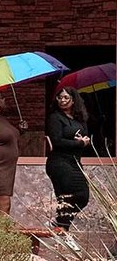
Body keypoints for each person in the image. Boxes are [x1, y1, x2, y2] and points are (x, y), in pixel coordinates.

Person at [45, 86, 91, 235]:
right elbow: (56, 141)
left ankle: (61, 227)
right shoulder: (55, 118)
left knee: (83, 196)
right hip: (59, 162)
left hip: (75, 161)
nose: (63, 100)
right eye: (60, 97)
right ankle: (62, 230)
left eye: (66, 98)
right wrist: (78, 143)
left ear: (73, 100)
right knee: (68, 196)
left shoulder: (79, 119)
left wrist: (84, 141)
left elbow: (84, 137)